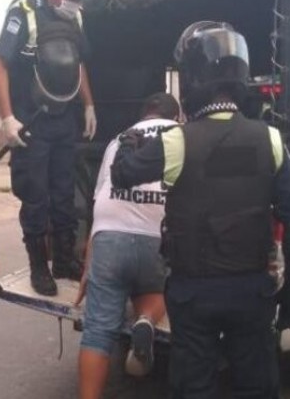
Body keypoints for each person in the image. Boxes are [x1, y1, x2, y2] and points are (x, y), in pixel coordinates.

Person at [111, 21, 290, 399]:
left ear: (192, 79)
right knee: (257, 387)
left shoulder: (177, 141)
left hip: (194, 293)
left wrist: (128, 141)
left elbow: (122, 175)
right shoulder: (269, 139)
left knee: (194, 388)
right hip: (252, 292)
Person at [0, 0, 98, 296]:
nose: (75, 3)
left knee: (64, 193)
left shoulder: (74, 17)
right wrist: (7, 117)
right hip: (31, 121)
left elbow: (78, 64)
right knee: (36, 196)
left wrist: (89, 104)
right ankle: (39, 266)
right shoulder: (23, 12)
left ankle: (63, 260)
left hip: (63, 119)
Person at [75, 93, 180, 399]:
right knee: (160, 289)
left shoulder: (118, 141)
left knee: (97, 331)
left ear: (143, 115)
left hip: (110, 238)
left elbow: (99, 203)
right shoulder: (182, 138)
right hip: (158, 238)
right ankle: (146, 320)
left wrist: (88, 267)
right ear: (177, 117)